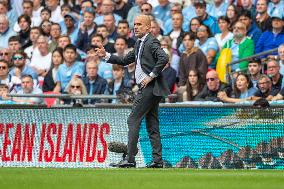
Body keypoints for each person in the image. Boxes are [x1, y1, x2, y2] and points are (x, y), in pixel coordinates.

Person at [96, 15, 170, 168]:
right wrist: (106, 56)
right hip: (152, 90)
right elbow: (124, 60)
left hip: (150, 87)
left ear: (148, 27)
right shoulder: (139, 43)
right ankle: (157, 161)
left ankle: (130, 159)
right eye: (135, 24)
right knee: (152, 124)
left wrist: (150, 76)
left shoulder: (151, 41)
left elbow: (164, 57)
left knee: (133, 120)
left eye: (139, 24)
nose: (135, 27)